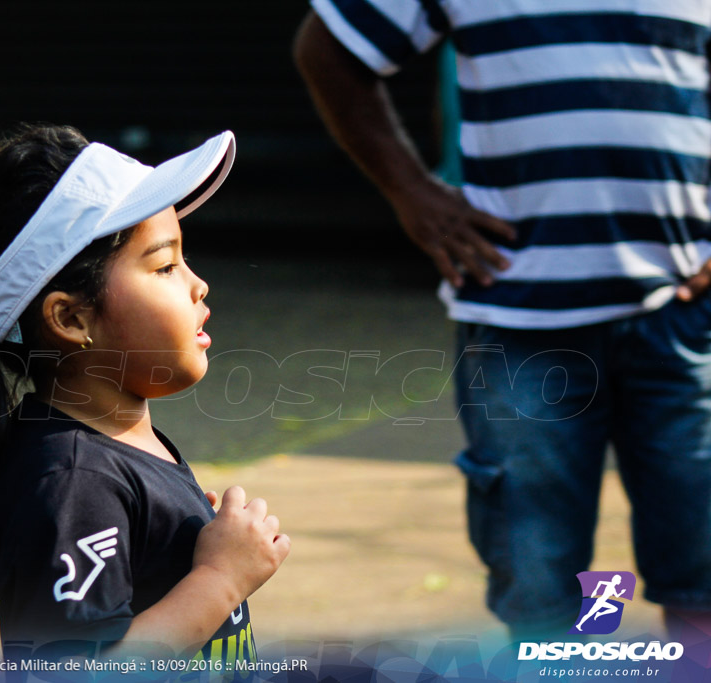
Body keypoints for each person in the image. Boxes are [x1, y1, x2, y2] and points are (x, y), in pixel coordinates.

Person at [293, 2, 711, 641]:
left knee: (704, 578)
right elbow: (329, 51)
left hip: (686, 319)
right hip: (521, 319)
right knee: (540, 594)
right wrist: (412, 192)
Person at [0, 124, 290, 662]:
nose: (198, 284)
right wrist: (219, 581)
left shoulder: (107, 455)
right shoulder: (74, 484)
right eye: (165, 265)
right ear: (71, 317)